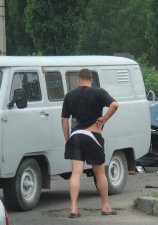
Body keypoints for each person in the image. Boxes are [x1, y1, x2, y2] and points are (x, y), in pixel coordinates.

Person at [61, 68, 118, 218]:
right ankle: (105, 207)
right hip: (93, 136)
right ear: (91, 80)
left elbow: (64, 120)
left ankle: (73, 208)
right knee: (99, 173)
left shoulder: (69, 95)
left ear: (78, 80)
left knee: (76, 173)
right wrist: (104, 118)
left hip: (76, 136)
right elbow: (115, 105)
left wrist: (68, 139)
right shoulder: (99, 92)